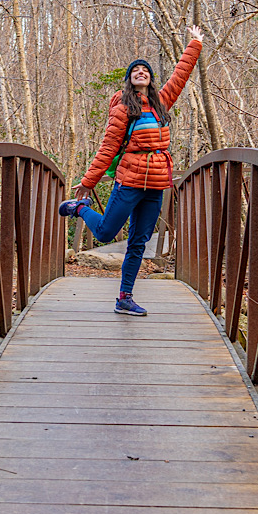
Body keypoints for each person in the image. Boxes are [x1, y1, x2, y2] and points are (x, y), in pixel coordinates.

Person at [59, 27, 204, 315]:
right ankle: (79, 209)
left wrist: (195, 43)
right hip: (130, 180)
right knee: (104, 232)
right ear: (130, 79)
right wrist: (89, 181)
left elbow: (181, 74)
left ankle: (124, 297)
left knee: (138, 242)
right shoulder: (123, 108)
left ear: (150, 78)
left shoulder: (162, 102)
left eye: (145, 70)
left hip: (156, 185)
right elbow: (108, 147)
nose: (141, 72)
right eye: (136, 70)